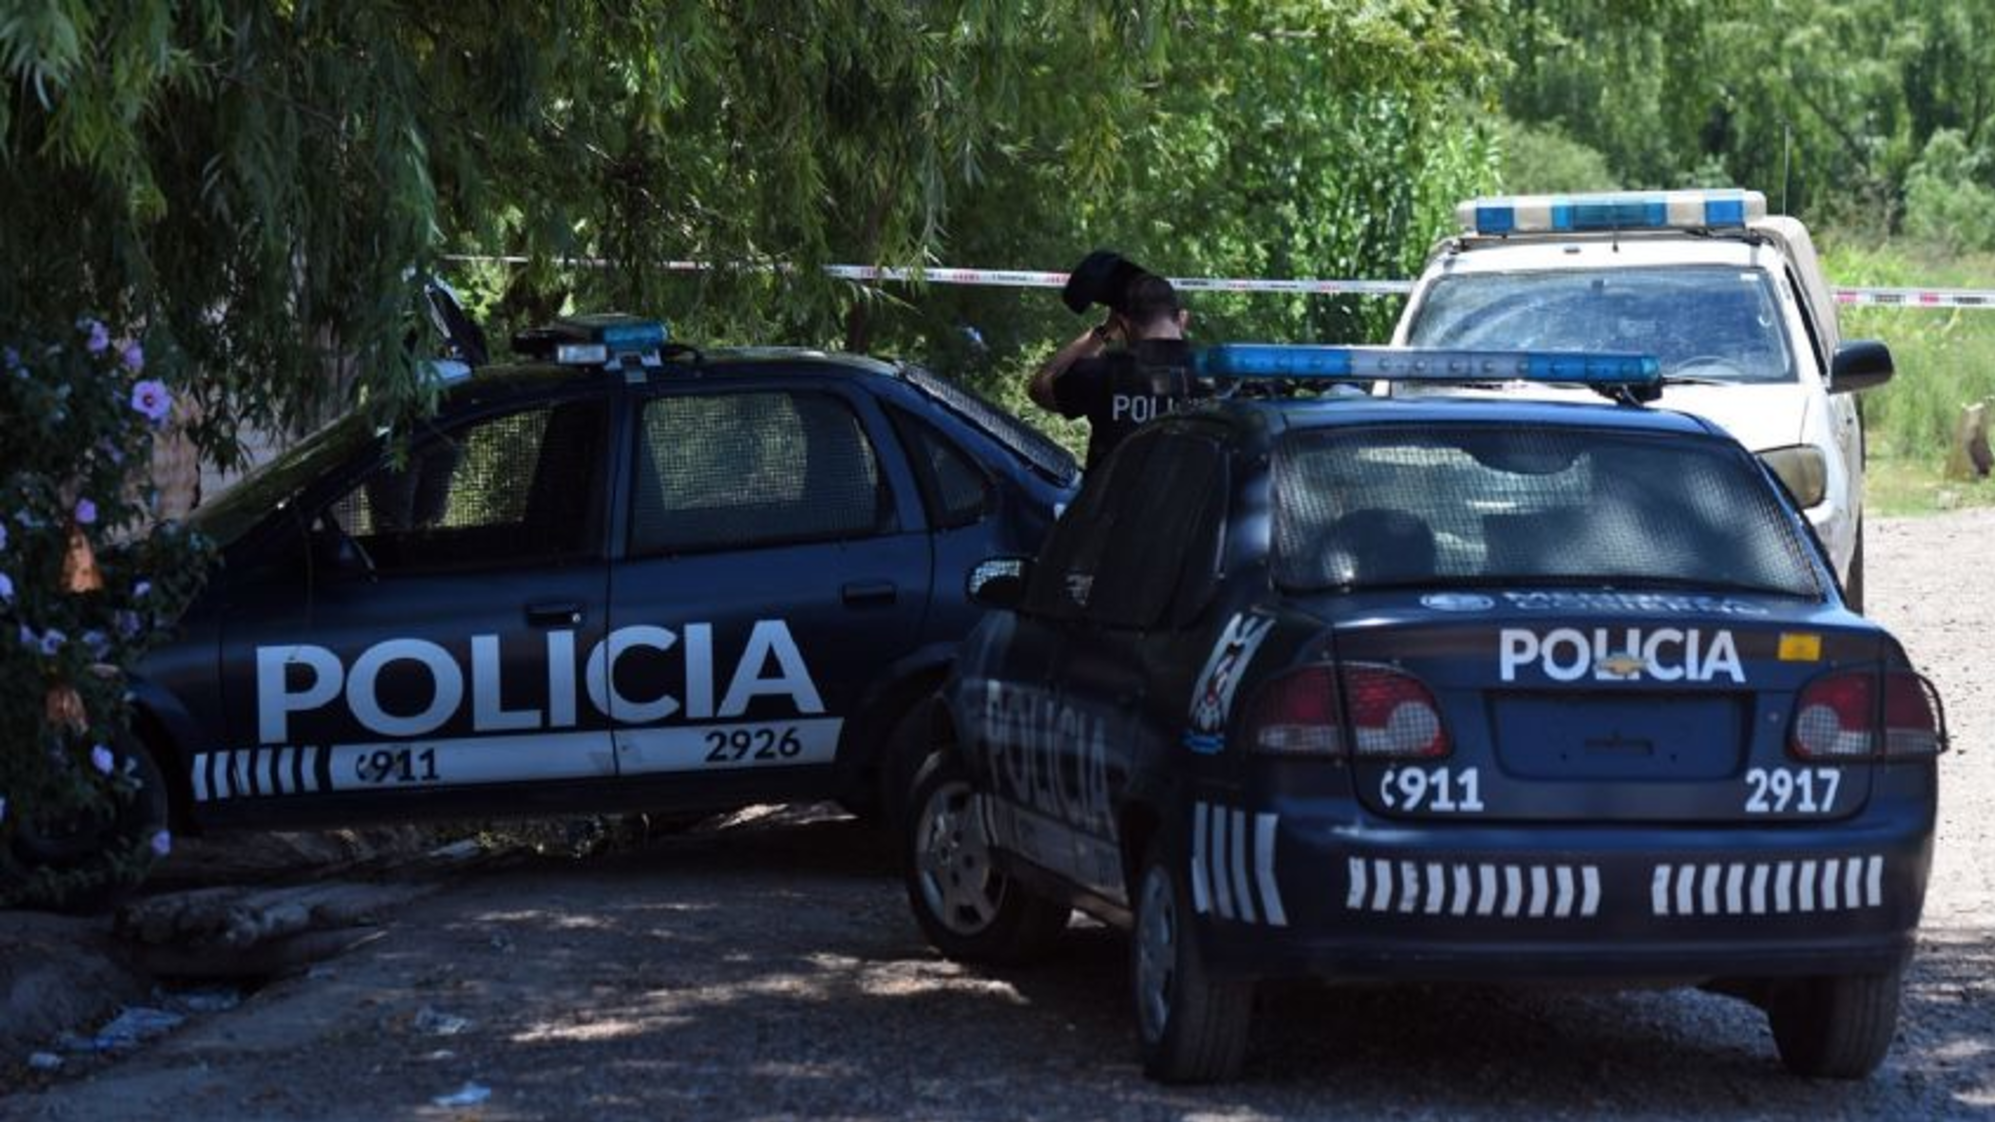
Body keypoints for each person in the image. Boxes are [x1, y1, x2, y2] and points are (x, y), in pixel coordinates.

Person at [1030, 253, 1200, 469]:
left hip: (1109, 502)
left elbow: (1040, 388)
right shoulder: (1214, 377)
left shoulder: (1102, 373)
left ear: (1124, 325)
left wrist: (1103, 332)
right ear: (1183, 319)